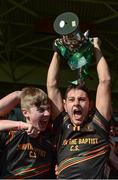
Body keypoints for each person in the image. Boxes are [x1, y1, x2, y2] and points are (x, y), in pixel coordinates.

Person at [47, 37, 111, 179]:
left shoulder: (98, 123)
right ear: (64, 105)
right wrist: (57, 51)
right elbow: (52, 86)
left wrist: (96, 47)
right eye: (71, 100)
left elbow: (105, 81)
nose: (76, 103)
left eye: (82, 99)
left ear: (90, 105)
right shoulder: (61, 124)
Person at [0, 87, 55, 179]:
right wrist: (19, 94)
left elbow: (53, 86)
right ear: (25, 113)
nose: (47, 114)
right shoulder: (12, 132)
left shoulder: (51, 135)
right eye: (41, 110)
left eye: (48, 109)